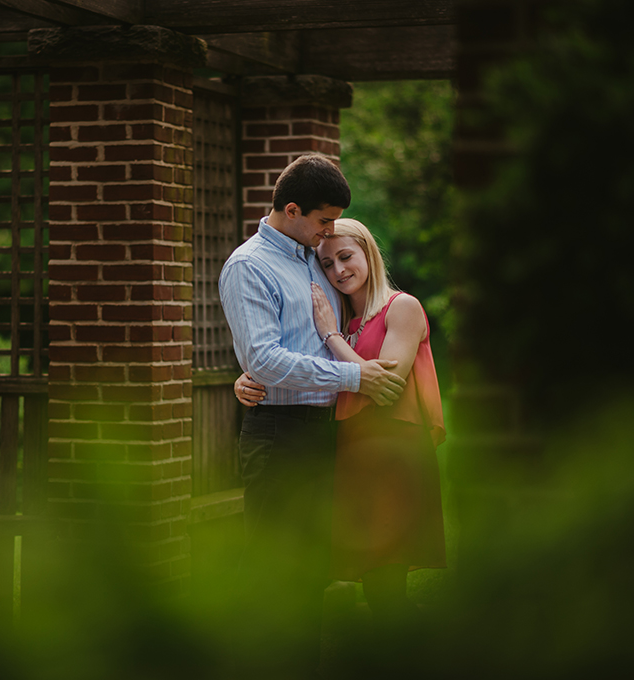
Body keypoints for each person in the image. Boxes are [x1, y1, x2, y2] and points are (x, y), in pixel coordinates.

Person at [218, 155, 407, 678]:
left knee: (310, 574)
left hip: (324, 433)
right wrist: (356, 377)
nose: (331, 233)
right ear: (293, 209)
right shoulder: (249, 265)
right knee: (274, 572)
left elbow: (324, 338)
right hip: (280, 435)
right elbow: (265, 359)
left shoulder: (308, 256)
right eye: (324, 220)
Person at [235, 217, 447, 629]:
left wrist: (331, 337)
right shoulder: (346, 319)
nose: (338, 270)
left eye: (346, 257)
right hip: (349, 455)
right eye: (327, 264)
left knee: (386, 588)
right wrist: (248, 376)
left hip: (391, 457)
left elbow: (384, 385)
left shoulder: (400, 307)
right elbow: (297, 361)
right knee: (345, 575)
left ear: (368, 253)